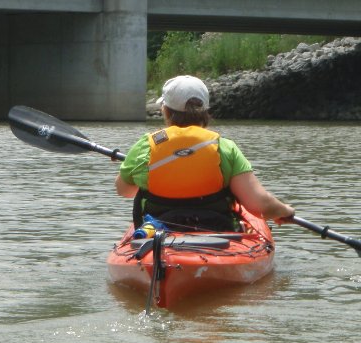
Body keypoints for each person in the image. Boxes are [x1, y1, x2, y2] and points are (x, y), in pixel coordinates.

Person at [115, 74, 294, 231]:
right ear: (205, 111)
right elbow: (260, 205)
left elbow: (124, 191)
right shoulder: (224, 148)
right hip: (216, 231)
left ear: (166, 111)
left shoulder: (145, 146)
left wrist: (141, 172)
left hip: (158, 233)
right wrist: (284, 210)